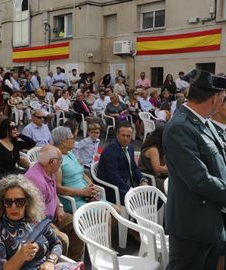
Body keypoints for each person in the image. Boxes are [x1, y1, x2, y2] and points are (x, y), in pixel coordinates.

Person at [163, 69, 226, 270]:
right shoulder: (180, 127)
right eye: (223, 96)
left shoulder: (204, 123)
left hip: (211, 219)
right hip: (192, 224)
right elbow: (199, 179)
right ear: (215, 97)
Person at [0, 175, 66, 269]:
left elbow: (56, 243)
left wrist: (51, 261)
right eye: (8, 202)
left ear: (27, 201)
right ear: (2, 203)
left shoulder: (36, 220)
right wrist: (21, 256)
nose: (13, 207)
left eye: (19, 201)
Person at [24, 145, 84, 260]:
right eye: (60, 160)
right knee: (62, 239)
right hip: (38, 223)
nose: (61, 162)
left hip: (52, 216)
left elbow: (53, 191)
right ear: (52, 162)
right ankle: (61, 265)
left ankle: (74, 262)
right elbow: (34, 216)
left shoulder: (48, 171)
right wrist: (50, 224)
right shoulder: (37, 182)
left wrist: (59, 206)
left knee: (77, 224)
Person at [97, 122, 149, 204]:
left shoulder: (130, 147)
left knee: (155, 198)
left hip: (129, 183)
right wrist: (131, 191)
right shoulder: (110, 150)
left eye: (128, 136)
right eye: (123, 135)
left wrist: (142, 180)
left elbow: (134, 167)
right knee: (143, 203)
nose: (125, 138)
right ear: (117, 135)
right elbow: (113, 177)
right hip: (115, 189)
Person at [52, 126, 100, 213]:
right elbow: (57, 188)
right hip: (73, 200)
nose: (75, 140)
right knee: (107, 213)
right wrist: (82, 192)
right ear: (63, 141)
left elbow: (82, 173)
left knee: (115, 209)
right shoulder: (56, 160)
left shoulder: (70, 154)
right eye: (72, 138)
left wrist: (91, 184)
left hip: (87, 197)